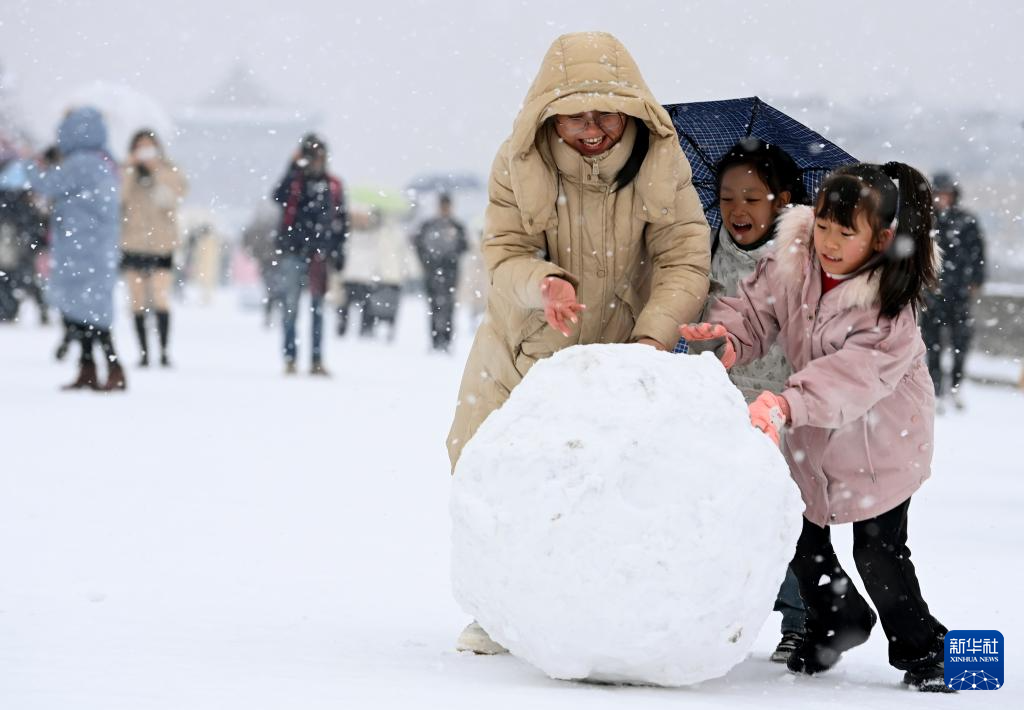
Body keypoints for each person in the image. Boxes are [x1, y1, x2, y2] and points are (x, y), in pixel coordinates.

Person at [448, 32, 711, 654]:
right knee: (489, 464)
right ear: (548, 113)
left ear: (634, 112)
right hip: (524, 345)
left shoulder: (665, 167)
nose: (592, 130)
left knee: (605, 482)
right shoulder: (517, 164)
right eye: (575, 115)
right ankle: (497, 607)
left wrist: (655, 333)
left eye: (607, 114)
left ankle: (594, 612)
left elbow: (684, 260)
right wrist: (544, 285)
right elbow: (503, 254)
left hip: (624, 352)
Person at [681, 162, 951, 691]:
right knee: (800, 535)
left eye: (846, 233)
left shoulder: (891, 308)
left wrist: (785, 404)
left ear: (883, 238)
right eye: (824, 225)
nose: (828, 242)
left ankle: (925, 651)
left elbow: (851, 376)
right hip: (813, 431)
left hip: (881, 441)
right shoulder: (794, 258)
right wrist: (733, 332)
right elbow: (758, 308)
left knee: (878, 552)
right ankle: (836, 621)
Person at [687, 138, 810, 664]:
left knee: (787, 519)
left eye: (752, 197)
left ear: (782, 201)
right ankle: (713, 618)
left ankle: (802, 619)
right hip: (721, 399)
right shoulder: (706, 247)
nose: (738, 209)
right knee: (723, 516)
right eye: (728, 196)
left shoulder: (802, 258)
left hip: (783, 404)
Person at [26, 107, 125, 391]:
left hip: (79, 247)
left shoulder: (81, 162)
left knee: (82, 312)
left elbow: (46, 185)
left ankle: (104, 368)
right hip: (94, 247)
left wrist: (35, 164)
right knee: (90, 312)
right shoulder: (105, 161)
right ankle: (94, 368)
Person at [271, 133, 348, 375]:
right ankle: (291, 357)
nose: (317, 160)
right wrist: (292, 166)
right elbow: (277, 196)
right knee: (291, 307)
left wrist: (338, 251)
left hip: (319, 255)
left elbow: (341, 221)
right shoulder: (295, 182)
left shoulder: (333, 185)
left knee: (317, 309)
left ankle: (315, 358)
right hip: (294, 251)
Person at [120, 129, 187, 367]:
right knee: (137, 300)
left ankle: (164, 351)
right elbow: (119, 199)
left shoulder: (168, 170)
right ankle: (144, 353)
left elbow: (172, 200)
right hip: (133, 242)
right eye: (140, 147)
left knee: (160, 297)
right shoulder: (126, 171)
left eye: (149, 147)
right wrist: (129, 169)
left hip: (161, 244)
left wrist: (156, 172)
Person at [919, 173, 985, 412]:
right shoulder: (926, 221)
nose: (941, 198)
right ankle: (936, 391)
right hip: (932, 295)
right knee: (932, 346)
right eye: (937, 193)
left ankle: (955, 388)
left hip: (959, 296)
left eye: (946, 193)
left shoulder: (967, 221)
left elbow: (978, 254)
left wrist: (974, 281)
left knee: (960, 345)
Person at [413, 193, 467, 352]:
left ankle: (447, 340)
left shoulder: (457, 226)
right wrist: (426, 263)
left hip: (450, 273)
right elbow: (418, 246)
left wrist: (452, 252)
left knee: (448, 307)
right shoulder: (428, 225)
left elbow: (464, 247)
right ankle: (435, 339)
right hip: (432, 272)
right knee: (434, 306)